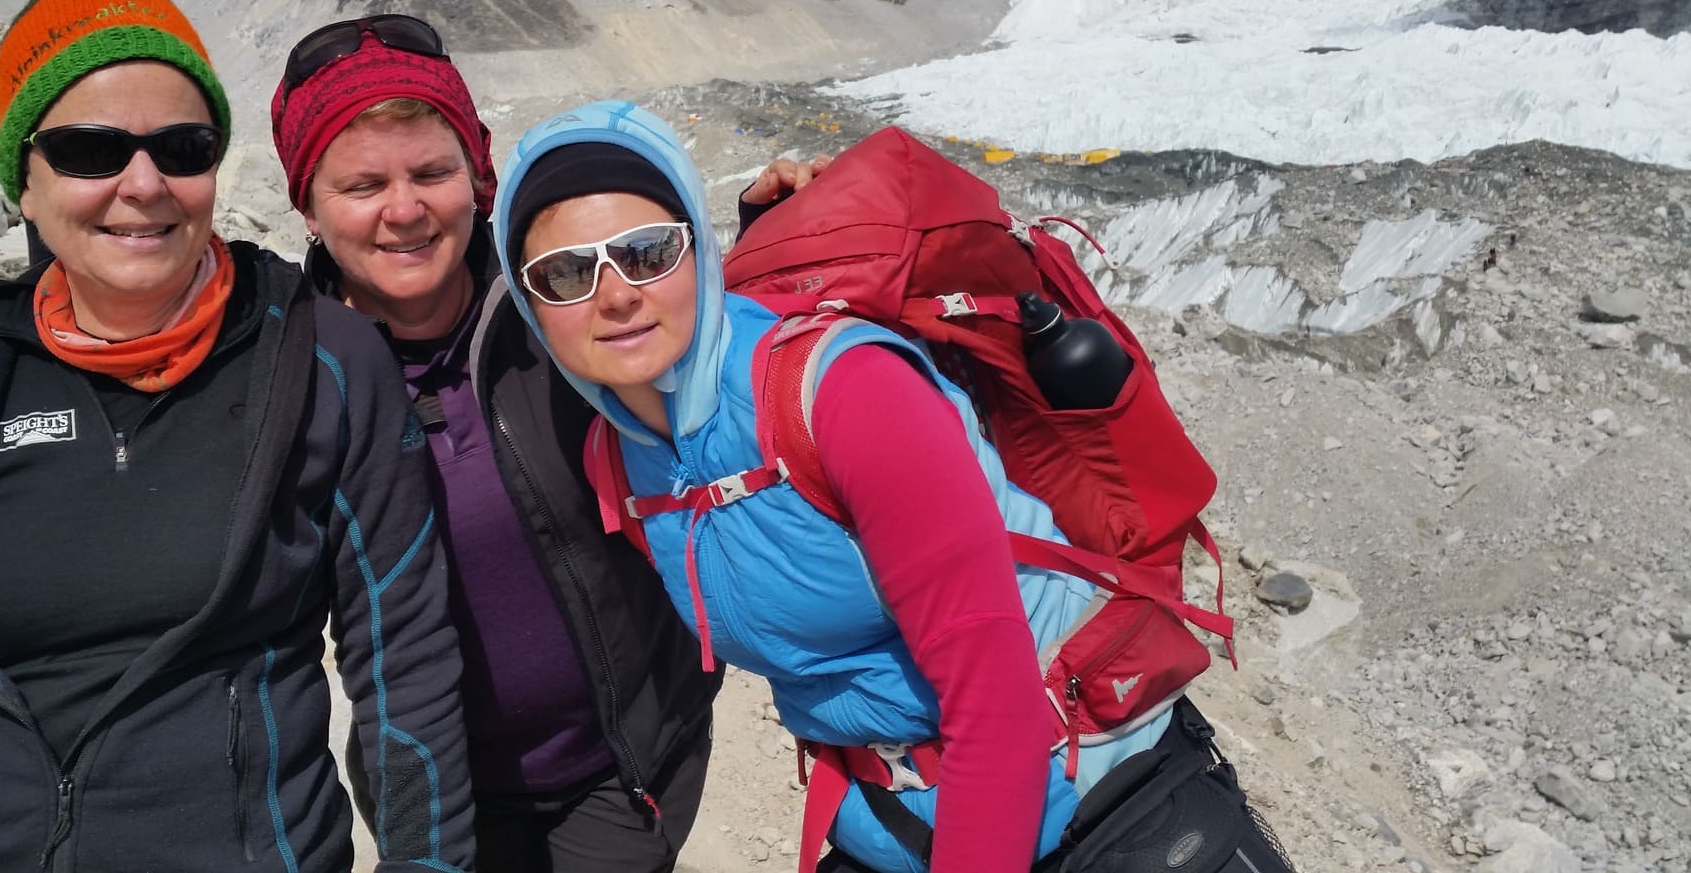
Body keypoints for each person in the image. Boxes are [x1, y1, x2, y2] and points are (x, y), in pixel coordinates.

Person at [0, 16, 751, 873]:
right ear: (306, 201)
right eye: (361, 185)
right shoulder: (285, 357)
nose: (404, 210)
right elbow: (126, 296)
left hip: (622, 766)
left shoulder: (557, 301)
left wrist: (804, 228)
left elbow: (694, 317)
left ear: (478, 180)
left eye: (432, 172)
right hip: (428, 783)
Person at [490, 101, 1287, 873]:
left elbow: (996, 711)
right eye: (564, 274)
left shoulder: (847, 393)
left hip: (1095, 802)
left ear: (698, 248)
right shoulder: (618, 456)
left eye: (647, 251)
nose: (617, 294)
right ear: (530, 306)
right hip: (900, 827)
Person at [0, 0, 475, 873]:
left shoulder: (323, 363)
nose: (145, 184)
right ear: (24, 185)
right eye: (90, 151)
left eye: (184, 147)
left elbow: (405, 673)